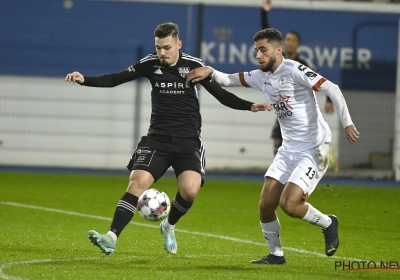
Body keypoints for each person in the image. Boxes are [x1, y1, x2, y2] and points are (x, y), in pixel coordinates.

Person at [64, 22, 270, 256]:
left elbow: (221, 95)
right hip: (157, 140)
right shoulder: (149, 64)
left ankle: (168, 226)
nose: (162, 52)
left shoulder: (194, 66)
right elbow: (115, 78)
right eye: (159, 47)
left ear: (178, 44)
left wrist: (250, 106)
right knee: (136, 183)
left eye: (167, 47)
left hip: (188, 141)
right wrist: (85, 79)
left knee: (190, 191)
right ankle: (110, 237)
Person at [186, 28, 360, 265]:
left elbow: (332, 88)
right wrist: (210, 71)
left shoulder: (295, 69)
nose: (258, 55)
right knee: (266, 205)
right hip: (288, 150)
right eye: (256, 50)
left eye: (263, 50)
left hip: (313, 148)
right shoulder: (260, 75)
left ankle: (328, 222)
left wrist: (347, 123)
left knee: (289, 205)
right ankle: (276, 255)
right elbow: (228, 79)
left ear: (278, 50)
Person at [261, 0, 335, 155]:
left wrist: (329, 99)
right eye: (287, 40)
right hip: (283, 107)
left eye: (293, 40)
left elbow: (320, 79)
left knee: (300, 147)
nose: (290, 43)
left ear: (298, 44)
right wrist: (264, 12)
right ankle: (281, 174)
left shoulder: (303, 63)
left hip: (301, 110)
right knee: (278, 140)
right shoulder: (278, 60)